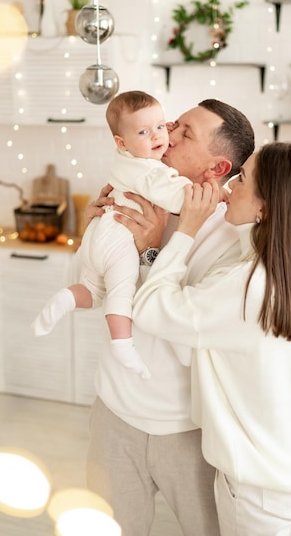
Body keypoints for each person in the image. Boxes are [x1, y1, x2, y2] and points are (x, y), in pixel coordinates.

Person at [132, 141, 291, 536]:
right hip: (286, 475)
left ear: (264, 207)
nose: (230, 185)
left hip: (257, 488)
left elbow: (150, 309)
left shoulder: (249, 287)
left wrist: (183, 230)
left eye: (244, 177)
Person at [83, 98, 255, 536]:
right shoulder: (131, 193)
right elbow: (89, 292)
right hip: (113, 414)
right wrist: (91, 235)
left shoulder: (230, 238)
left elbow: (185, 341)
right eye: (174, 123)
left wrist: (150, 252)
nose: (166, 134)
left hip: (185, 429)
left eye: (184, 134)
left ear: (216, 170)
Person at [31, 91, 192, 379]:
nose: (161, 136)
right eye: (146, 131)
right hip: (118, 239)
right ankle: (123, 345)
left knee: (92, 293)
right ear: (121, 142)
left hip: (100, 231)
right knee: (121, 292)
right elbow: (179, 198)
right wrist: (210, 196)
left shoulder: (126, 159)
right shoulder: (151, 172)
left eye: (162, 126)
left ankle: (65, 299)